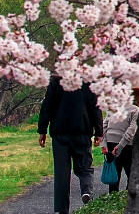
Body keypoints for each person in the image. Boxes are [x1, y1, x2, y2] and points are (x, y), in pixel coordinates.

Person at [38, 75, 104, 213]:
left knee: (62, 172)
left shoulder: (57, 80)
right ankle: (86, 191)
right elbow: (95, 106)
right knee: (85, 167)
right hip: (82, 131)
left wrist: (42, 130)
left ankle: (62, 210)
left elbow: (47, 104)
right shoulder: (87, 80)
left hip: (60, 133)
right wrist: (99, 130)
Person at [101, 88, 139, 195]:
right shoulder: (135, 110)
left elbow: (104, 126)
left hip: (110, 142)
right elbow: (131, 130)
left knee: (115, 174)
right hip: (127, 145)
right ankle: (127, 197)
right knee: (131, 173)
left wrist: (104, 144)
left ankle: (113, 197)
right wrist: (120, 146)